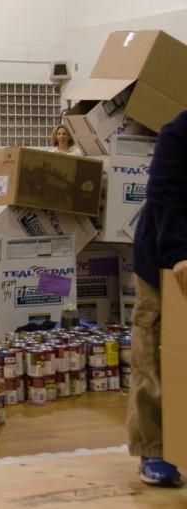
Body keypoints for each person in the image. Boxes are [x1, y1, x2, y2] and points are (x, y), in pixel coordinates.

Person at [128, 109, 187, 487]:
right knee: (154, 351)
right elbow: (165, 196)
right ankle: (155, 449)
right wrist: (180, 252)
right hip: (165, 257)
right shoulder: (178, 133)